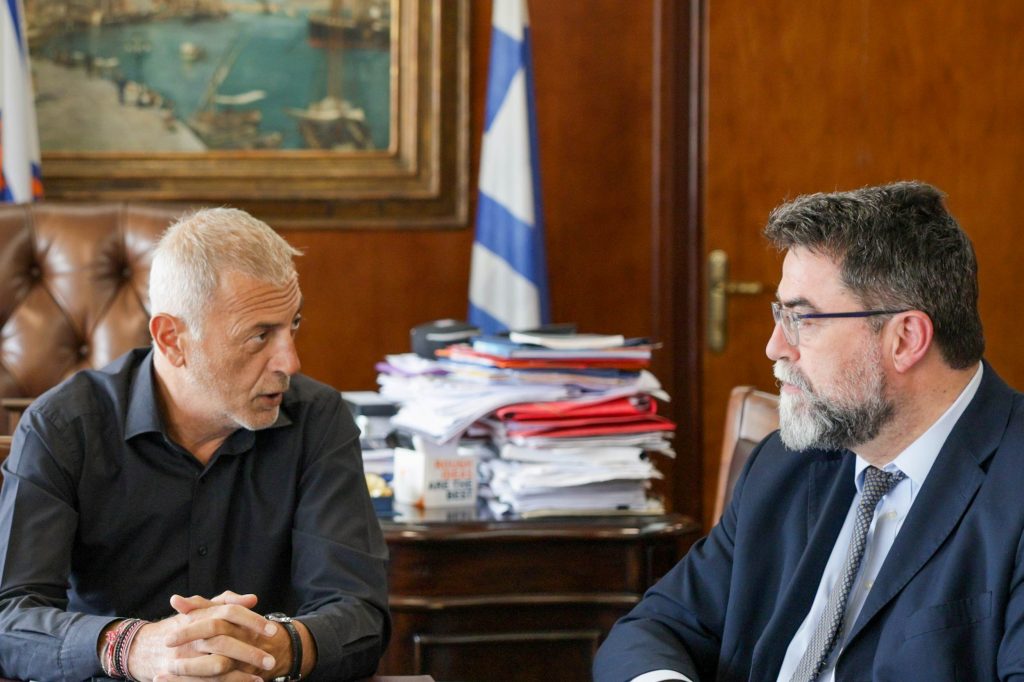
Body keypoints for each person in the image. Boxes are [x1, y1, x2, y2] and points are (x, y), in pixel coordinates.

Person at [594, 181, 1024, 681]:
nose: (775, 347)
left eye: (802, 319)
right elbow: (655, 627)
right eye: (780, 314)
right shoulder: (787, 463)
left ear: (906, 339)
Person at [0, 208, 390, 681]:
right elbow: (10, 619)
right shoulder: (63, 426)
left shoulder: (318, 419)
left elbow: (360, 613)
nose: (290, 361)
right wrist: (135, 648)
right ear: (172, 339)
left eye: (292, 325)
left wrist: (270, 647)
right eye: (260, 335)